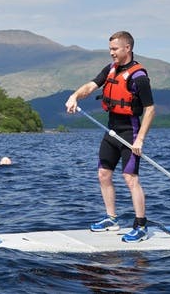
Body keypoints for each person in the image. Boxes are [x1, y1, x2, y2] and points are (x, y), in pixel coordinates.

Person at [65, 31, 155, 243]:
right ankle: (111, 219)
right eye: (110, 49)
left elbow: (150, 109)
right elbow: (90, 86)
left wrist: (140, 139)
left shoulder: (139, 77)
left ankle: (141, 226)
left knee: (130, 178)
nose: (111, 53)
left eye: (115, 49)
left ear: (127, 48)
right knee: (103, 174)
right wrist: (74, 96)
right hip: (111, 130)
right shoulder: (111, 69)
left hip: (130, 131)